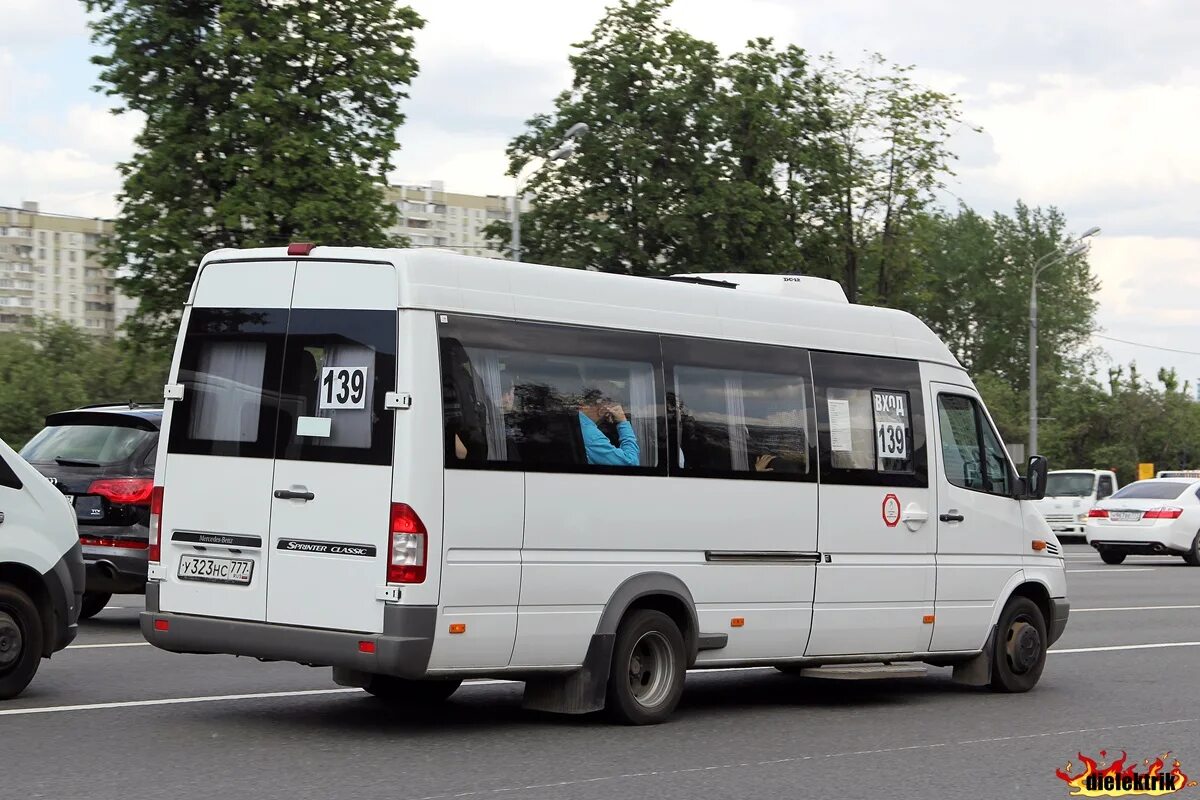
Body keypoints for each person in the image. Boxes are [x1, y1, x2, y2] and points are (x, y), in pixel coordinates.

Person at [578, 383, 640, 467]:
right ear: (602, 409)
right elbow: (631, 463)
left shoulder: (576, 423)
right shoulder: (591, 435)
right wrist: (622, 422)